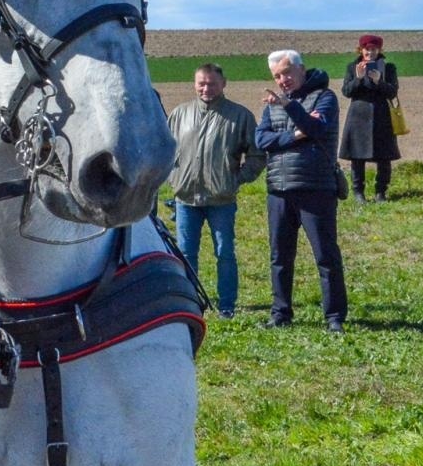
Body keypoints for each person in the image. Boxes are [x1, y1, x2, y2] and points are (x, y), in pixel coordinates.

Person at [255, 50, 348, 333]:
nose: (282, 80)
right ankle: (280, 313)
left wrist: (288, 107)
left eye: (286, 73)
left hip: (315, 187)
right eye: (277, 76)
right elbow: (261, 140)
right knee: (280, 256)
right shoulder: (271, 106)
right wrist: (293, 136)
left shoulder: (324, 97)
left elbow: (316, 127)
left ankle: (334, 317)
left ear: (301, 70)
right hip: (278, 188)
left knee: (325, 256)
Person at [167, 62, 266, 317]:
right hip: (186, 199)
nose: (206, 88)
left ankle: (227, 305)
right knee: (186, 254)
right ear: (195, 84)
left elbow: (256, 155)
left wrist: (237, 179)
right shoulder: (180, 114)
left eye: (212, 83)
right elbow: (164, 151)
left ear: (224, 84)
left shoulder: (239, 116)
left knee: (224, 252)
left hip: (221, 199)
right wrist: (173, 177)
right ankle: (189, 301)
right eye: (201, 83)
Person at [339, 34, 401, 202]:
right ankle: (359, 193)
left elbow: (392, 92)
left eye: (373, 49)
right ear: (361, 50)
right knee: (357, 157)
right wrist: (358, 79)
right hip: (358, 118)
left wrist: (379, 81)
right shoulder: (352, 67)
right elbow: (346, 92)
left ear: (379, 50)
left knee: (384, 157)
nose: (370, 52)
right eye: (367, 49)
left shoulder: (389, 68)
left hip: (382, 117)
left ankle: (381, 192)